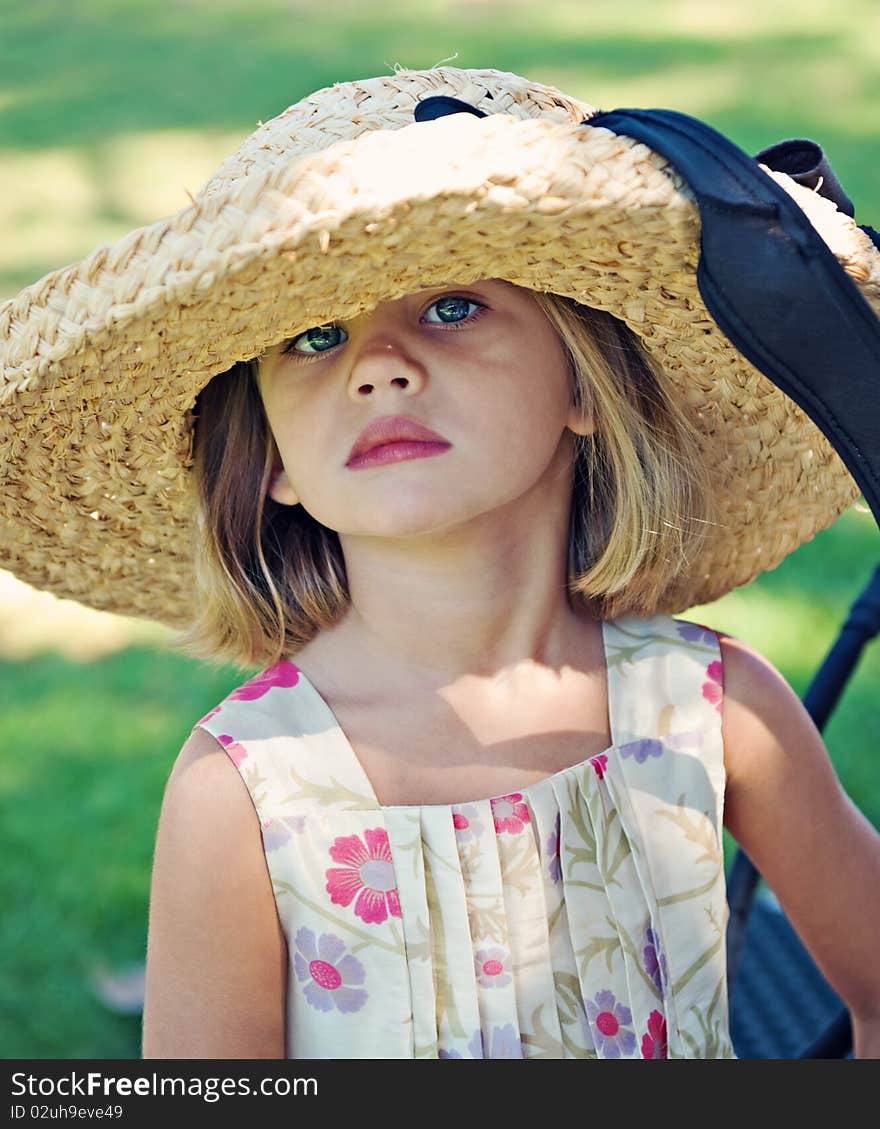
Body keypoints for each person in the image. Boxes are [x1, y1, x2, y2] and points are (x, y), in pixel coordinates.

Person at [1, 66, 879, 1061]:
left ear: (583, 389)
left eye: (451, 307)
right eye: (316, 336)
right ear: (274, 463)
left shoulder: (713, 707)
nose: (378, 364)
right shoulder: (251, 787)